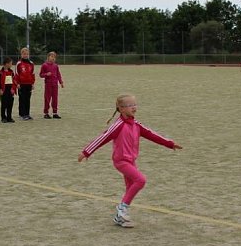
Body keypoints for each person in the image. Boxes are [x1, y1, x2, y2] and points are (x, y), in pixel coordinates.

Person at [78, 94, 182, 228]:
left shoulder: (136, 125)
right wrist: (86, 152)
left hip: (131, 161)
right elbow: (103, 137)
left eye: (135, 104)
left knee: (130, 187)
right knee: (141, 180)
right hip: (121, 161)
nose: (134, 107)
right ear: (121, 109)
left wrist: (169, 144)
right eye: (130, 105)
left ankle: (120, 217)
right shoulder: (118, 126)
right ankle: (121, 210)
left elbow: (152, 135)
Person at [40, 51, 64, 119]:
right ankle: (46, 113)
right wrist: (46, 74)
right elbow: (41, 75)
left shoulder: (56, 66)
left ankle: (55, 113)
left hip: (55, 84)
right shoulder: (44, 65)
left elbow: (58, 74)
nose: (53, 58)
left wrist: (61, 82)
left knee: (55, 99)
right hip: (48, 84)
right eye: (52, 56)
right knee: (47, 98)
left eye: (54, 57)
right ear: (48, 57)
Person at [15, 47, 36, 120]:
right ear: (21, 54)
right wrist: (17, 83)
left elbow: (33, 74)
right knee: (22, 99)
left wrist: (33, 83)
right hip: (21, 84)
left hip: (29, 84)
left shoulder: (31, 63)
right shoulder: (19, 63)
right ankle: (22, 114)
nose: (25, 55)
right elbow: (16, 74)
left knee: (28, 99)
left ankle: (27, 113)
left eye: (27, 54)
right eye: (24, 54)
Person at [0, 57, 17, 123]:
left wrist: (13, 88)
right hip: (4, 90)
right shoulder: (0, 73)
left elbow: (14, 80)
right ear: (6, 64)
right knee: (4, 104)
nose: (11, 65)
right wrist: (0, 89)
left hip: (10, 90)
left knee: (10, 104)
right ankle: (3, 117)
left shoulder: (11, 72)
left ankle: (9, 117)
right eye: (10, 63)